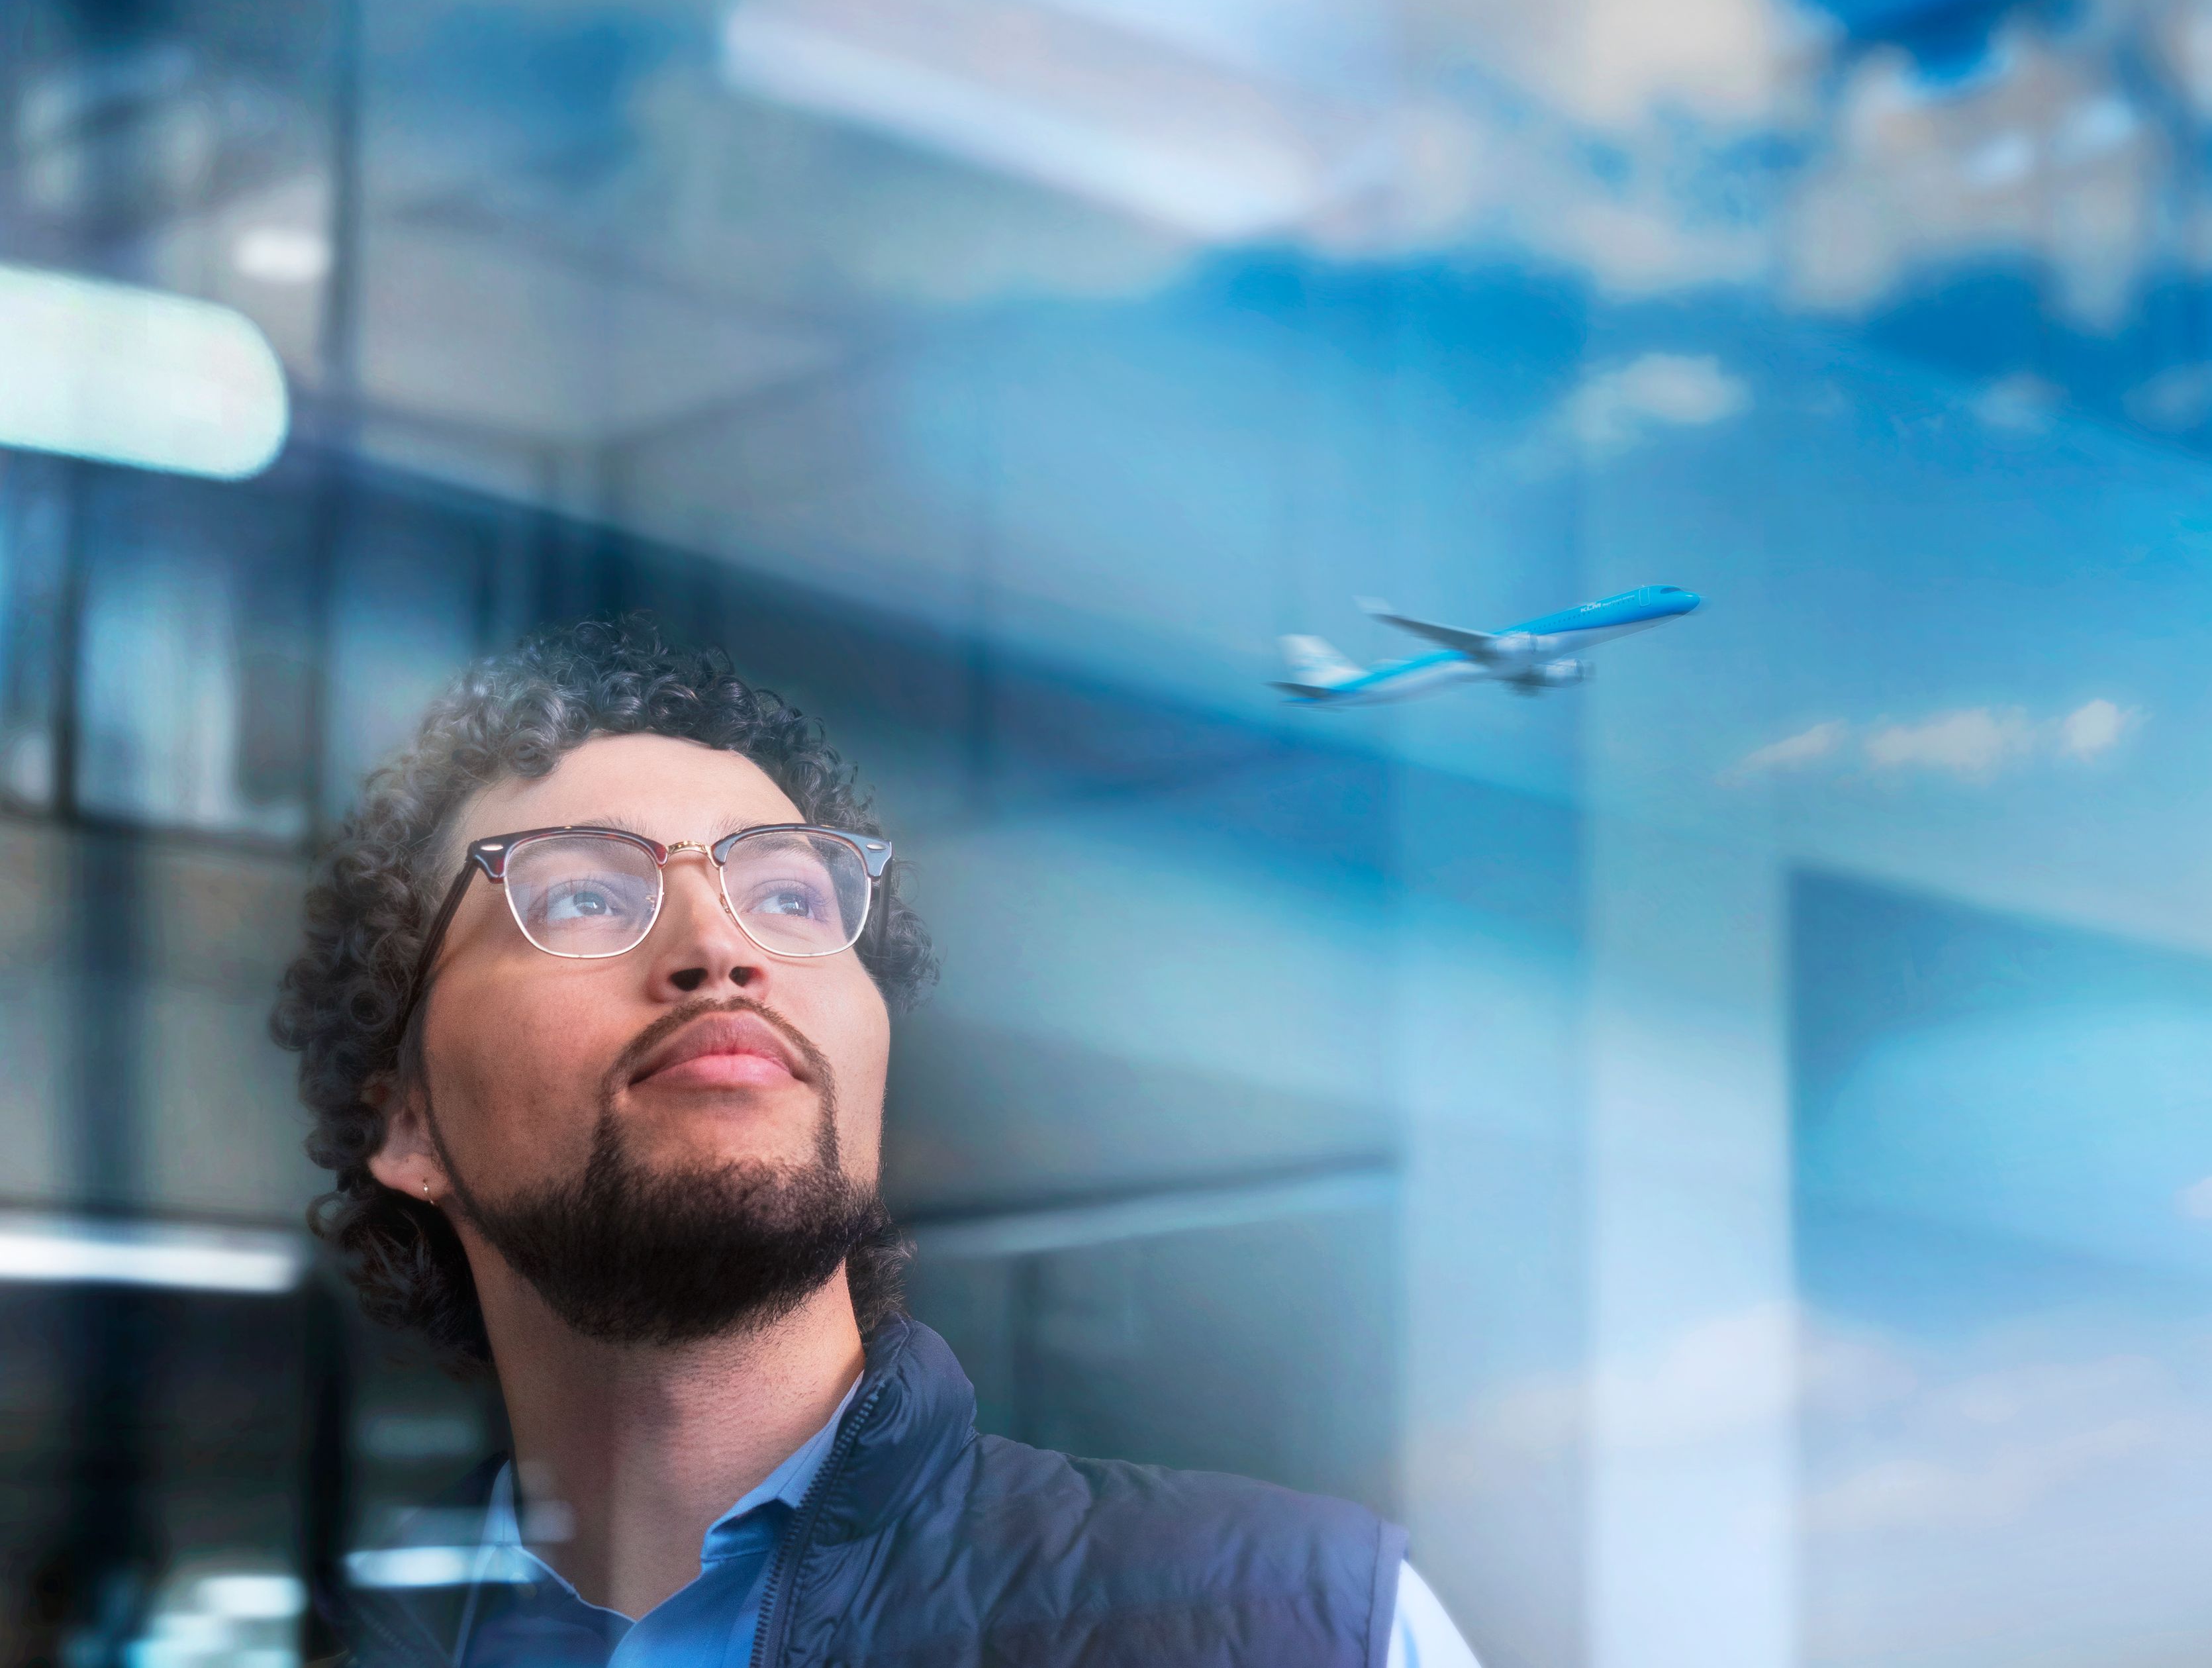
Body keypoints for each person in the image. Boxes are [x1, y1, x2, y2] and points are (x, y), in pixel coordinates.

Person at [276, 618, 1479, 1668]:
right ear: (408, 1122)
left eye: (790, 895)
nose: (720, 946)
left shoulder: (1309, 1630)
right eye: (582, 895)